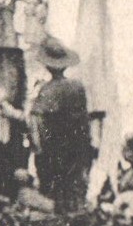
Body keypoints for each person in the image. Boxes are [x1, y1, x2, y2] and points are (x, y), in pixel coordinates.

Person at [29, 38, 92, 211]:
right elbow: (85, 122)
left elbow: (37, 123)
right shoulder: (77, 87)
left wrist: (38, 149)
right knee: (73, 192)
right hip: (75, 149)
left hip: (53, 151)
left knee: (53, 197)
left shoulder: (47, 90)